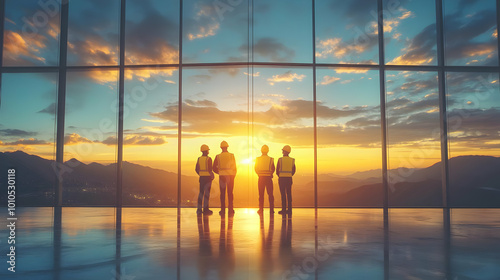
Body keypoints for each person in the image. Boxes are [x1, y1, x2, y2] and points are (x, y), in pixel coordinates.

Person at [213, 141, 237, 216]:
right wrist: (233, 176)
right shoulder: (231, 155)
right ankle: (230, 210)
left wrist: (219, 172)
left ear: (221, 147)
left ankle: (222, 210)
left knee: (222, 194)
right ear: (227, 147)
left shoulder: (218, 156)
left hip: (222, 176)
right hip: (230, 177)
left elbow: (214, 168)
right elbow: (235, 168)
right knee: (230, 193)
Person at [255, 145, 275, 215]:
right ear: (268, 151)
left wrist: (259, 174)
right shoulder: (271, 159)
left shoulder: (258, 159)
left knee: (261, 195)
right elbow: (273, 168)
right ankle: (271, 210)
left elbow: (256, 168)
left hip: (261, 178)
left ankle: (261, 209)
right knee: (270, 194)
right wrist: (270, 174)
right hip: (268, 178)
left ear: (261, 150)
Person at [195, 144, 214, 215]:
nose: (208, 151)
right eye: (208, 150)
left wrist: (200, 174)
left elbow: (196, 169)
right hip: (208, 178)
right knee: (207, 194)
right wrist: (212, 176)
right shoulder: (209, 159)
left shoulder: (199, 159)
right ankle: (206, 210)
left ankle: (199, 209)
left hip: (202, 178)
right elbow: (210, 170)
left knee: (201, 193)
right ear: (206, 151)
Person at [276, 145, 295, 215]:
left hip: (282, 179)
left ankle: (283, 209)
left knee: (283, 195)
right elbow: (294, 170)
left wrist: (281, 175)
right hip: (289, 179)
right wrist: (289, 175)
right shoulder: (292, 160)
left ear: (285, 152)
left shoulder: (280, 160)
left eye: (283, 150)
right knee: (289, 194)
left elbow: (277, 170)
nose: (282, 152)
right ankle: (289, 210)